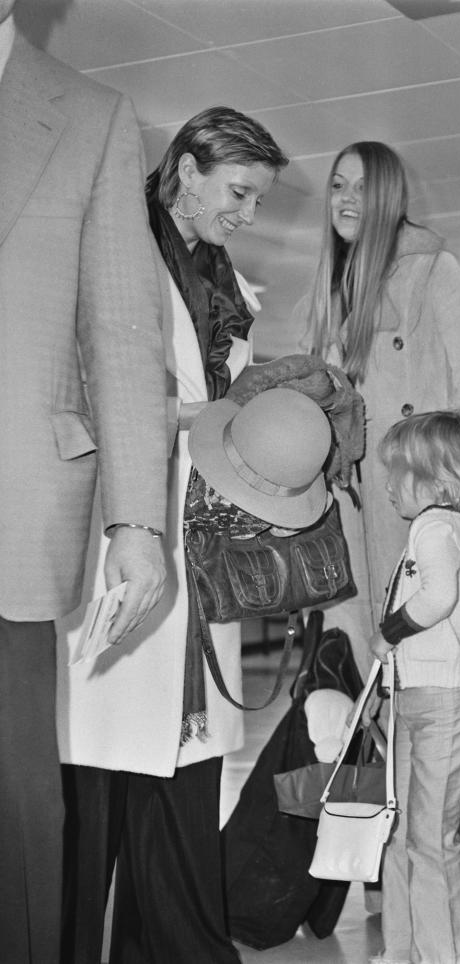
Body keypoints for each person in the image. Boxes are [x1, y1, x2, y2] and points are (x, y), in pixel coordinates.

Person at [56, 106, 288, 964]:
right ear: (185, 169)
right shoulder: (117, 252)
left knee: (182, 770)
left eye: (258, 199)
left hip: (194, 538)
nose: (249, 215)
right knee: (99, 775)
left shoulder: (216, 278)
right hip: (120, 530)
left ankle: (175, 946)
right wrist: (204, 413)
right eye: (238, 192)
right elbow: (86, 389)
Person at [295, 139, 460, 916]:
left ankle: (456, 883)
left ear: (391, 196)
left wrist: (427, 474)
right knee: (378, 696)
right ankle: (407, 879)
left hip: (423, 520)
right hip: (357, 523)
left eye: (363, 186)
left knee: (441, 698)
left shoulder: (433, 273)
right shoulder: (329, 293)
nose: (347, 199)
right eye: (337, 185)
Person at [0, 2, 169, 960]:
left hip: (14, 503)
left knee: (21, 802)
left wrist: (136, 523)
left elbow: (121, 331)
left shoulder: (90, 115)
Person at [369, 410, 460, 964]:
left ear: (434, 477)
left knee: (431, 841)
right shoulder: (430, 528)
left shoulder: (435, 526)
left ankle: (449, 957)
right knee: (402, 834)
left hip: (444, 704)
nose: (388, 485)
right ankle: (404, 950)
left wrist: (387, 634)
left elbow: (438, 596)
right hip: (418, 698)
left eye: (397, 473)